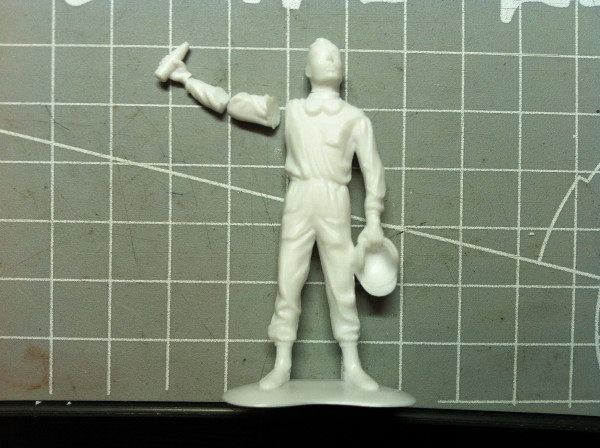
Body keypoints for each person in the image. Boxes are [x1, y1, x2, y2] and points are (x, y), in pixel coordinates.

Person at [259, 38, 386, 391]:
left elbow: (373, 170)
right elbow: (256, 110)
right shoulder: (295, 110)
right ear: (307, 68)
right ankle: (282, 362)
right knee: (288, 277)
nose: (331, 61)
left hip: (334, 198)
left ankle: (352, 363)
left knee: (342, 280)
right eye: (322, 57)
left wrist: (374, 218)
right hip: (300, 197)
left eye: (336, 57)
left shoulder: (355, 118)